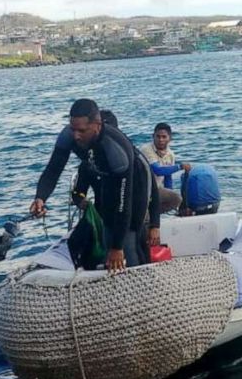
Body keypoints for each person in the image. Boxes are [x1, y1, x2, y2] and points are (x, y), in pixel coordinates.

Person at [30, 99, 158, 272]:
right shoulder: (69, 136)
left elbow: (124, 203)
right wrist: (40, 197)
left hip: (135, 187)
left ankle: (143, 283)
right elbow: (53, 169)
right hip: (107, 181)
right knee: (106, 231)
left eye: (81, 130)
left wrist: (117, 247)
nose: (76, 135)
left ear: (97, 125)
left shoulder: (115, 149)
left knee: (128, 240)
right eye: (72, 128)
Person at [140, 122, 191, 214]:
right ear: (153, 136)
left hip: (156, 189)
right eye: (158, 136)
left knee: (176, 199)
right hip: (143, 189)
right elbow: (158, 170)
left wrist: (170, 192)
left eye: (164, 137)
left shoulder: (170, 155)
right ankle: (147, 215)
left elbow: (168, 178)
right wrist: (180, 166)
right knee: (175, 197)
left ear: (170, 138)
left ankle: (152, 215)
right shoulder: (146, 149)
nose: (161, 140)